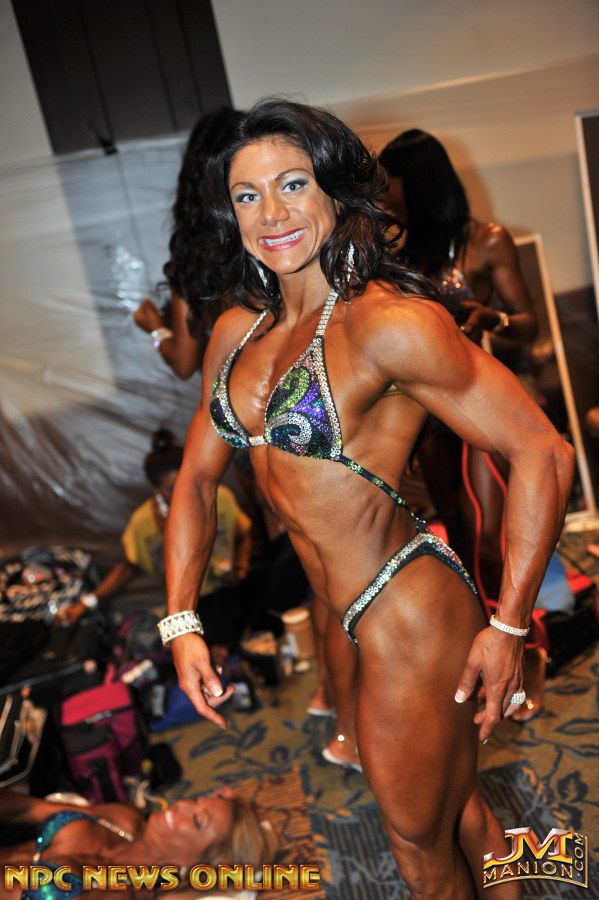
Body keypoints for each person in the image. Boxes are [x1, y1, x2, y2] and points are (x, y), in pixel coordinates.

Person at [160, 99, 573, 898]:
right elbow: (196, 480)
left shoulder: (386, 323)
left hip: (407, 612)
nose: (270, 213)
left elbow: (542, 450)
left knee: (417, 848)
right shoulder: (235, 333)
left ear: (336, 191)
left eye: (291, 185)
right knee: (456, 811)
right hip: (342, 609)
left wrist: (509, 625)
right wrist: (180, 620)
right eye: (247, 195)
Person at [379, 129, 546, 719]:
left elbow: (529, 324)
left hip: (483, 405)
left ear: (421, 186)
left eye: (394, 188)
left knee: (491, 536)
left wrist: (490, 317)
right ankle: (486, 657)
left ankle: (528, 653)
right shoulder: (401, 254)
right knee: (457, 533)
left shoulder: (486, 241)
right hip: (430, 417)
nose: (387, 199)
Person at [58, 430, 251, 649]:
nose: (181, 493)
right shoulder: (143, 524)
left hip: (234, 595)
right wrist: (85, 603)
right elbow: (127, 569)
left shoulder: (220, 497)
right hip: (189, 609)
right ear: (155, 489)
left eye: (185, 482)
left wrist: (241, 568)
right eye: (171, 489)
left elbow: (243, 535)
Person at [0, 786, 277, 899]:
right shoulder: (123, 819)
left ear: (193, 864)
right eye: (193, 801)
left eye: (196, 820)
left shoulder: (122, 894)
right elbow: (25, 809)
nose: (181, 805)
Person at [134, 109, 244, 379]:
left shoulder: (195, 256)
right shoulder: (271, 234)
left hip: (241, 391)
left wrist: (156, 328)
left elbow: (183, 364)